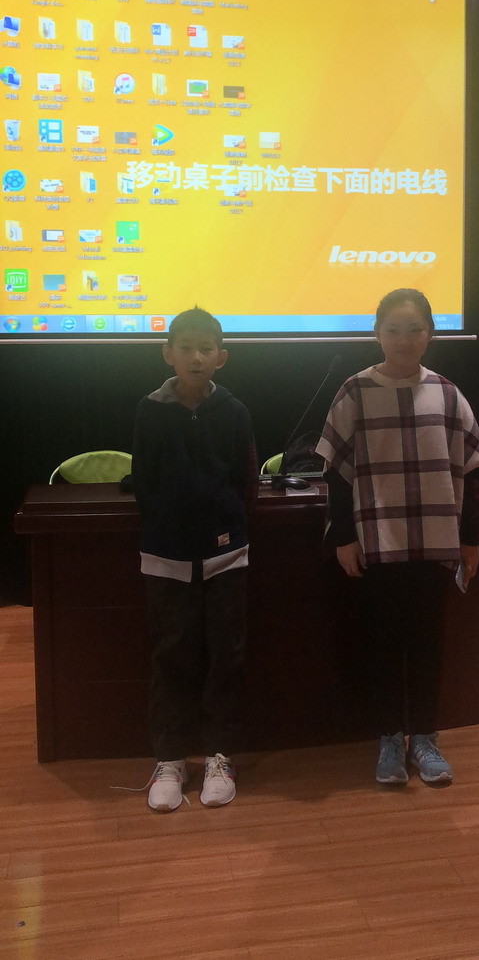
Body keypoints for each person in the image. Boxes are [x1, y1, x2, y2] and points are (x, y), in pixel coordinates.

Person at [316, 289, 479, 786]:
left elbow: (468, 470)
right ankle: (390, 739)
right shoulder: (354, 391)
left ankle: (426, 739)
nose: (404, 339)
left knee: (428, 641)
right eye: (393, 329)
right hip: (378, 542)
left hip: (434, 543)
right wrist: (343, 537)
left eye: (415, 330)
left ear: (430, 334)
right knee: (384, 644)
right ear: (377, 333)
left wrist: (470, 537)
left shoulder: (448, 393)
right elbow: (336, 472)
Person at [132, 307, 257, 812]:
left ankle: (218, 757)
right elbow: (144, 482)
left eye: (206, 348)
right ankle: (169, 760)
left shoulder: (235, 411)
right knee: (171, 655)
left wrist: (228, 530)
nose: (196, 356)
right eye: (186, 347)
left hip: (226, 555)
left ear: (221, 357)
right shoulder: (149, 410)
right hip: (166, 555)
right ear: (168, 353)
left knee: (226, 654)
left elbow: (246, 481)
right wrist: (168, 527)